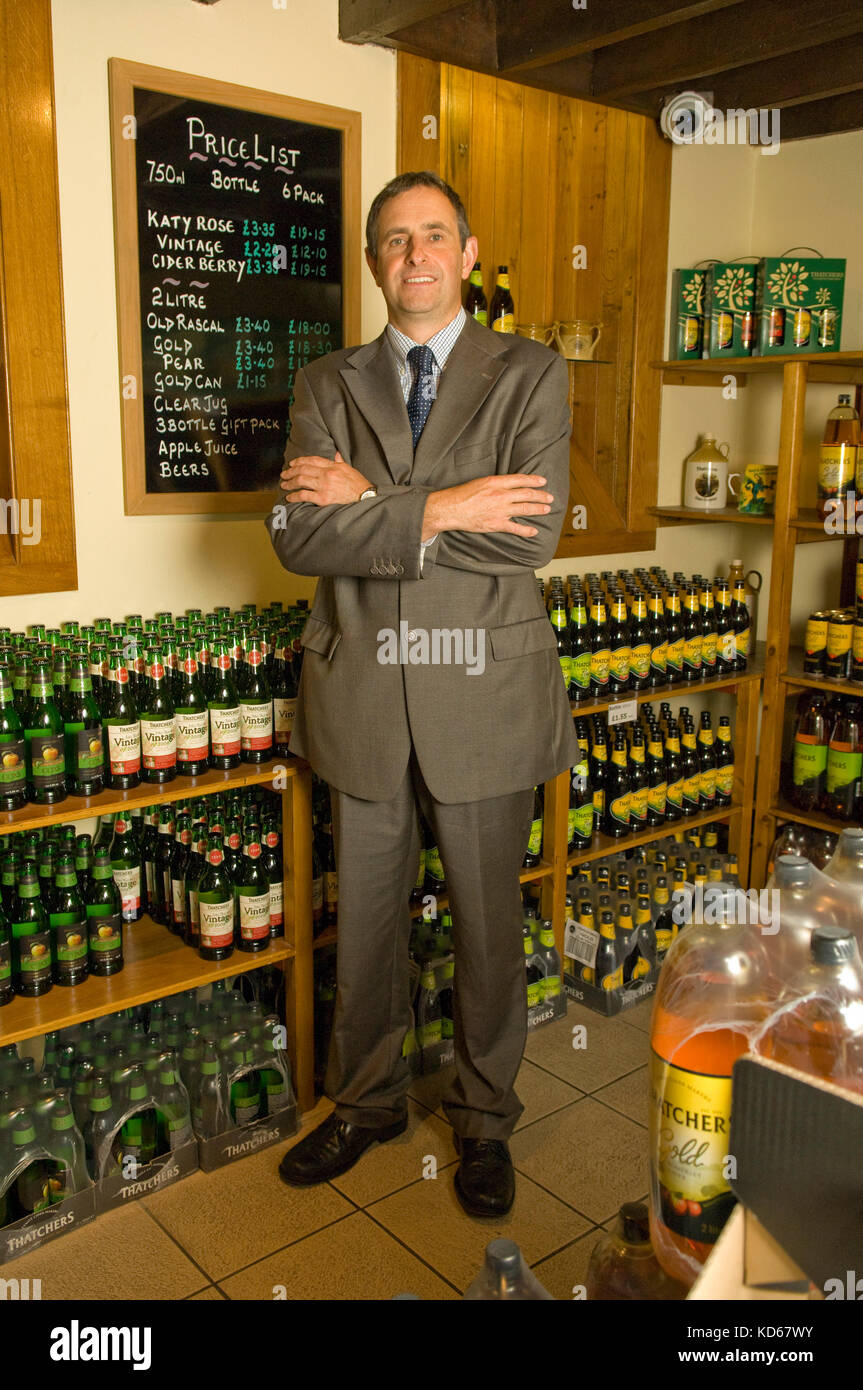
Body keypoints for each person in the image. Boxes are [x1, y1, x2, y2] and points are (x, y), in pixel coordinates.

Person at [266, 171, 577, 1217]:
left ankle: (485, 1119)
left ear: (466, 251)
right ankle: (367, 1102)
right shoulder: (323, 384)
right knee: (363, 926)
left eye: (432, 235)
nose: (414, 256)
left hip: (482, 699)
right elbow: (302, 536)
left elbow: (526, 536)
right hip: (356, 694)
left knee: (489, 927)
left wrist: (377, 503)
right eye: (393, 240)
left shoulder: (531, 373)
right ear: (370, 261)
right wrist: (446, 507)